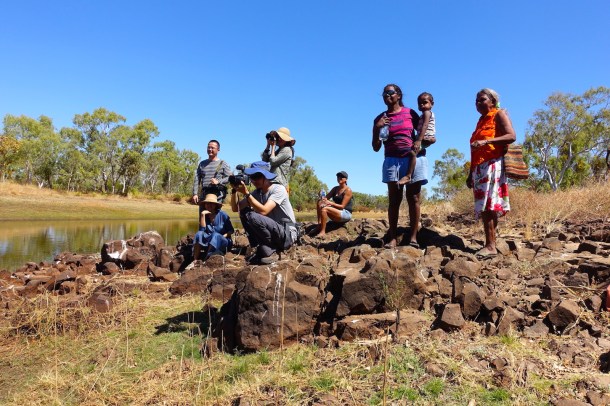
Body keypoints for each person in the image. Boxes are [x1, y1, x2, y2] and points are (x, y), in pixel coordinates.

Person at [372, 84, 427, 249]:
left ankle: (413, 237)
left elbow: (423, 132)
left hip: (412, 159)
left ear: (399, 95)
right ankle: (393, 237)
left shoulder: (410, 113)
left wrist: (420, 143)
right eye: (384, 93)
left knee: (414, 198)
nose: (387, 95)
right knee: (394, 200)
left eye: (390, 92)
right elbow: (375, 147)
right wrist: (377, 128)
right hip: (391, 160)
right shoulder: (379, 118)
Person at [466, 88, 516, 258]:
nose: (478, 103)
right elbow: (476, 150)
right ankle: (490, 243)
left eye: (482, 99)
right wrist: (470, 173)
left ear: (492, 102)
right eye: (476, 101)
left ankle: (490, 246)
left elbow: (511, 135)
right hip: (480, 168)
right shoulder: (480, 121)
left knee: (488, 206)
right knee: (486, 206)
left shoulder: (499, 114)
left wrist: (487, 141)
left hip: (492, 164)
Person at [230, 161, 297, 265]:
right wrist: (234, 191)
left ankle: (271, 251)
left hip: (287, 233)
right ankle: (258, 247)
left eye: (256, 176)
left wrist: (247, 194)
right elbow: (236, 208)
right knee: (244, 212)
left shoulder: (279, 189)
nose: (253, 180)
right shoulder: (257, 193)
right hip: (273, 232)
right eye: (251, 177)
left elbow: (264, 210)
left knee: (252, 216)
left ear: (266, 177)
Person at [397, 92, 436, 185]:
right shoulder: (423, 115)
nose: (422, 105)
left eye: (425, 102)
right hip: (425, 137)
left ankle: (408, 175)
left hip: (425, 137)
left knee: (412, 152)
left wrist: (418, 140)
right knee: (415, 151)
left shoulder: (427, 113)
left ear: (432, 104)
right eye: (419, 103)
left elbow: (425, 125)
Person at [192, 140, 232, 214]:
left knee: (215, 220)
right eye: (208, 147)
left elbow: (230, 178)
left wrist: (218, 182)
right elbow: (197, 179)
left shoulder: (223, 163)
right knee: (202, 218)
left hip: (217, 197)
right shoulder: (202, 163)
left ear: (218, 149)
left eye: (212, 148)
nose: (210, 149)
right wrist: (195, 194)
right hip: (204, 196)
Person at [193, 193, 234, 260]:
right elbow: (202, 230)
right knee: (198, 234)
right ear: (205, 205)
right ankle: (195, 259)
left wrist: (222, 236)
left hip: (224, 241)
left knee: (216, 235)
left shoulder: (222, 214)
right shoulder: (205, 215)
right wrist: (202, 215)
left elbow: (231, 230)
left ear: (215, 205)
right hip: (210, 241)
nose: (209, 205)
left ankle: (207, 259)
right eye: (207, 203)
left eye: (211, 203)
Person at [314, 171, 354, 238]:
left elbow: (342, 207)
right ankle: (319, 225)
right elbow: (325, 199)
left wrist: (331, 203)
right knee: (319, 202)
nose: (339, 178)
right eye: (338, 177)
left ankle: (322, 232)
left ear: (346, 179)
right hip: (337, 211)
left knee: (324, 209)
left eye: (341, 177)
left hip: (345, 213)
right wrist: (321, 196)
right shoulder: (335, 188)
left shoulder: (348, 190)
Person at [261, 127, 295, 192]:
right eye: (278, 137)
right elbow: (264, 161)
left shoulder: (287, 150)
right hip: (272, 181)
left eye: (281, 137)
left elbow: (273, 161)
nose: (279, 139)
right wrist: (268, 146)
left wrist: (273, 147)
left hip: (279, 183)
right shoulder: (279, 150)